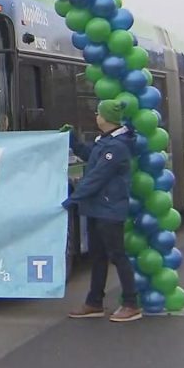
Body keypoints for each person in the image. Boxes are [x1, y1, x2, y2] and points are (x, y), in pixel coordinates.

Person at [60, 100, 142, 322]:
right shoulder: (104, 141)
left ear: (105, 118)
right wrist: (74, 142)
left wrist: (73, 199)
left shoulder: (117, 146)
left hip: (110, 210)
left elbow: (97, 177)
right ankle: (94, 302)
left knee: (117, 255)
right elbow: (90, 156)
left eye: (98, 113)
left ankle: (131, 303)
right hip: (97, 208)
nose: (95, 115)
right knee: (98, 256)